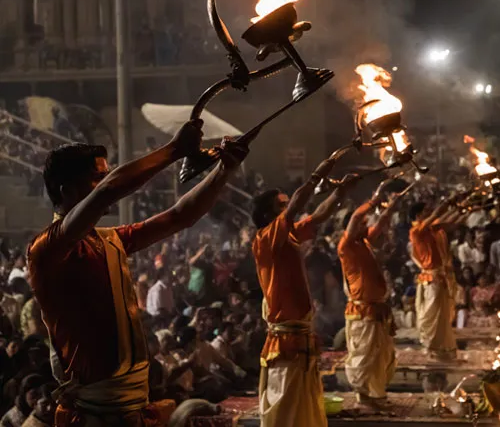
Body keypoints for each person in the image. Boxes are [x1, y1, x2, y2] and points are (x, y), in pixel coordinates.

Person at [27, 120, 248, 427]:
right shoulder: (46, 249)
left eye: (105, 176)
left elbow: (179, 216)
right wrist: (174, 150)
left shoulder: (110, 239)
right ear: (67, 191)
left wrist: (225, 170)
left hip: (133, 407)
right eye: (96, 178)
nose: (105, 182)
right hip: (94, 414)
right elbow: (108, 191)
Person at [251, 152, 353, 427]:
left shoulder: (290, 234)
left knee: (304, 406)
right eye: (280, 205)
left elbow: (318, 216)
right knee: (285, 408)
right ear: (267, 215)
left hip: (301, 334)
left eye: (286, 204)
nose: (287, 208)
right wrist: (323, 168)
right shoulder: (264, 240)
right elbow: (299, 203)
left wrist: (340, 193)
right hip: (285, 339)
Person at [337, 182, 405, 411]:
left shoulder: (363, 242)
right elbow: (356, 217)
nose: (366, 225)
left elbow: (382, 223)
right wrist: (374, 199)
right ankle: (364, 397)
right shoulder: (346, 245)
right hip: (362, 312)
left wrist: (392, 207)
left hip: (376, 310)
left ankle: (376, 394)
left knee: (380, 355)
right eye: (362, 224)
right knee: (364, 356)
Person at [409, 197, 462, 360]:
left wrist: (462, 208)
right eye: (426, 211)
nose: (430, 213)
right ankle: (431, 347)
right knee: (432, 315)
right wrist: (447, 203)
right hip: (432, 278)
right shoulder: (416, 231)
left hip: (441, 277)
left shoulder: (432, 229)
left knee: (442, 316)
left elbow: (450, 222)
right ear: (418, 216)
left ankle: (441, 350)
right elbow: (438, 215)